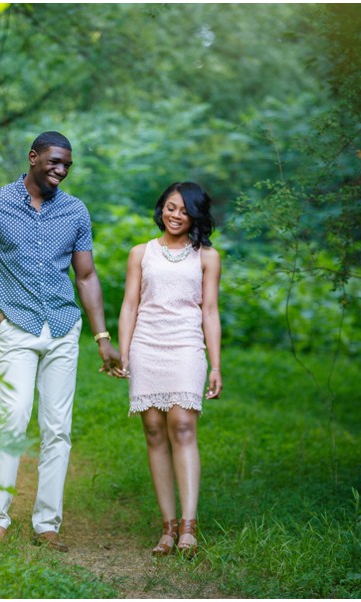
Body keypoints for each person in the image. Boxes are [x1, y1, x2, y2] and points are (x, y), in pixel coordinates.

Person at [0, 131, 122, 552]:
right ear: (33, 158)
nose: (61, 171)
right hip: (18, 327)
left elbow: (85, 276)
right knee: (12, 420)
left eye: (67, 164)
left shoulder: (75, 212)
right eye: (53, 162)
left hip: (64, 328)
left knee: (57, 430)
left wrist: (103, 335)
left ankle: (47, 524)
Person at [114, 181, 222, 556]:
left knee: (183, 426)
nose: (176, 215)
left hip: (186, 346)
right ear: (161, 209)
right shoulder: (140, 253)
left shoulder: (207, 257)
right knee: (155, 429)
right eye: (170, 207)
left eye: (184, 210)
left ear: (196, 215)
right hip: (147, 345)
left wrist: (215, 364)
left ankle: (190, 527)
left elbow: (209, 311)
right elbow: (129, 305)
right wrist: (123, 352)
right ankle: (167, 527)